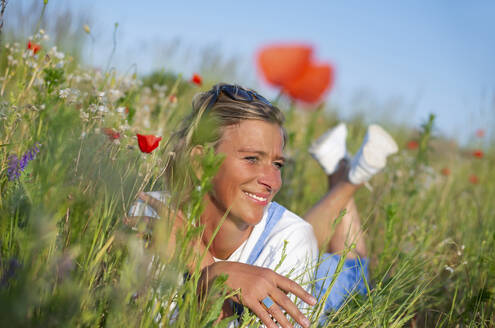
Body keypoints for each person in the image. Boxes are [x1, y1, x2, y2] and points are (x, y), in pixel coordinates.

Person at [127, 83, 398, 327]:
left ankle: (348, 178)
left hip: (312, 290)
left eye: (277, 164)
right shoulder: (151, 214)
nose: (273, 181)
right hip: (290, 255)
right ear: (199, 163)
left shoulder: (292, 240)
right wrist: (214, 276)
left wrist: (204, 267)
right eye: (251, 159)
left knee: (353, 273)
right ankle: (346, 175)